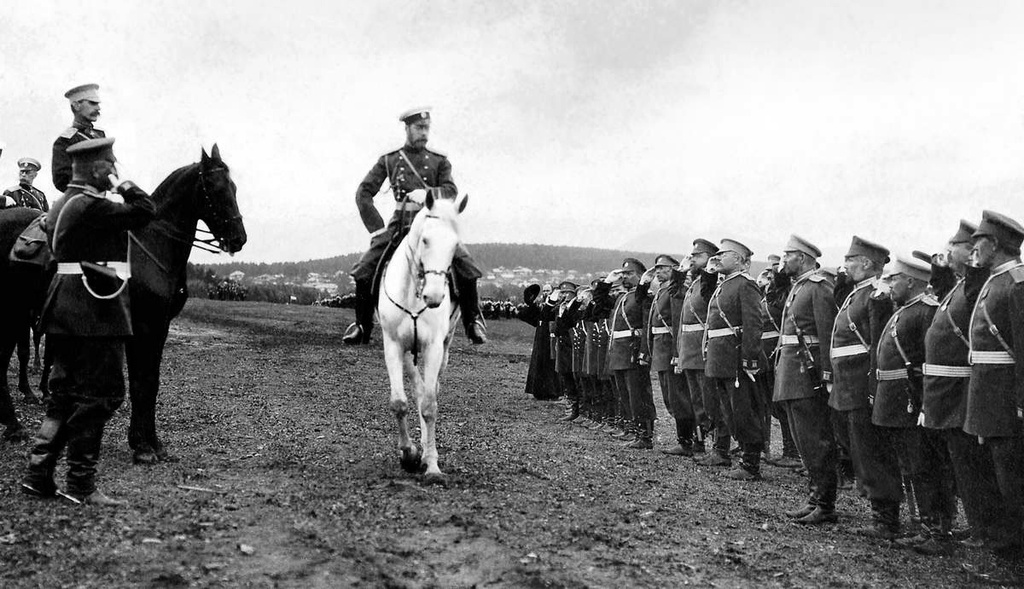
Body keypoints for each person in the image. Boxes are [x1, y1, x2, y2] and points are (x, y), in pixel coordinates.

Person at [21, 137, 155, 506]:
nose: (114, 169)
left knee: (63, 394)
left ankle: (38, 474)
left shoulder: (65, 201)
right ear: (98, 170)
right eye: (110, 165)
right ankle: (80, 484)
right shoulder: (94, 205)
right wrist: (123, 185)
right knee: (102, 394)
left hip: (64, 305)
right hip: (93, 309)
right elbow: (146, 209)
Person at [343, 107, 485, 345]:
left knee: (467, 267)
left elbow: (450, 190)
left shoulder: (440, 161)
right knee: (364, 269)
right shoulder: (389, 160)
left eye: (426, 128)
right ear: (407, 128)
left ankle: (473, 321)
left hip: (433, 225)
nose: (424, 133)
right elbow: (363, 192)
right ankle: (362, 326)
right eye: (419, 128)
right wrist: (377, 228)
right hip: (401, 225)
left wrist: (427, 193)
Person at [920, 220, 1002, 555]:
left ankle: (986, 532)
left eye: (951, 245)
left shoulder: (975, 285)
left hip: (961, 391)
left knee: (971, 468)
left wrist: (971, 264)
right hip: (945, 391)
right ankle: (975, 528)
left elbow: (972, 295)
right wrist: (943, 268)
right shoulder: (956, 287)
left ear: (969, 251)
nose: (945, 250)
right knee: (957, 465)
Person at [873, 256, 954, 552]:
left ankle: (938, 531)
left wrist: (924, 403)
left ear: (910, 281)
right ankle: (926, 526)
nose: (889, 284)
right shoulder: (904, 310)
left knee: (925, 465)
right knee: (911, 465)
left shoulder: (925, 312)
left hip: (912, 399)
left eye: (893, 278)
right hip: (894, 398)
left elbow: (929, 361)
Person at [830, 236, 903, 539]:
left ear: (866, 264)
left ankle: (885, 520)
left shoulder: (876, 296)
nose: (845, 265)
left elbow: (878, 346)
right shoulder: (856, 293)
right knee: (858, 451)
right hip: (847, 384)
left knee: (873, 453)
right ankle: (879, 513)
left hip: (862, 385)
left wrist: (874, 388)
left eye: (850, 260)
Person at [963, 210, 1024, 561]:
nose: (975, 247)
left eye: (979, 242)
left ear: (996, 244)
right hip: (988, 392)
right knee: (996, 473)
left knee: (1012, 476)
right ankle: (1006, 542)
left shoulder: (1016, 283)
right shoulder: (992, 279)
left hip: (1004, 396)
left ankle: (1015, 550)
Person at [774, 235, 839, 524]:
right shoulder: (799, 287)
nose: (783, 259)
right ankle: (814, 497)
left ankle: (825, 503)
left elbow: (827, 333)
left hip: (806, 371)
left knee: (816, 439)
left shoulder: (819, 287)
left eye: (788, 254)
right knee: (803, 440)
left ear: (802, 258)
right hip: (791, 369)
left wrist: (827, 373)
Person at [704, 239, 766, 480]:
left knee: (743, 411)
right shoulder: (724, 285)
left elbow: (753, 324)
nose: (718, 257)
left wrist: (749, 359)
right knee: (728, 411)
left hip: (736, 357)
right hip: (721, 357)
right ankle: (743, 458)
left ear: (739, 260)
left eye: (724, 254)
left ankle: (751, 464)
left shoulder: (745, 285)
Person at [592, 258, 655, 449]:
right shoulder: (622, 298)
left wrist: (644, 352)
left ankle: (645, 435)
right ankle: (635, 431)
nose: (626, 277)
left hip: (632, 350)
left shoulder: (644, 296)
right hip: (619, 351)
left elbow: (646, 325)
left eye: (630, 273)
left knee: (638, 395)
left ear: (641, 275)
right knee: (625, 395)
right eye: (624, 274)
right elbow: (600, 304)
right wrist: (606, 283)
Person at [640, 254, 695, 456]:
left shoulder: (675, 290)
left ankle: (687, 441)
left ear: (674, 269)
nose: (659, 271)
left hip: (670, 348)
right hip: (660, 349)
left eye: (663, 268)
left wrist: (676, 353)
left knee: (679, 397)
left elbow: (677, 322)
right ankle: (687, 440)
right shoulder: (662, 290)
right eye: (657, 268)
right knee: (670, 398)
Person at [677, 239, 720, 460]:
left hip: (703, 348)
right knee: (696, 400)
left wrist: (709, 274)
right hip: (690, 348)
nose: (691, 259)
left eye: (697, 256)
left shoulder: (711, 283)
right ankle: (700, 442)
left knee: (708, 400)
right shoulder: (694, 283)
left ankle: (717, 446)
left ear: (709, 258)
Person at [52, 84, 105, 193]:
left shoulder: (100, 135)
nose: (98, 108)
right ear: (76, 105)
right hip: (82, 199)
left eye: (98, 104)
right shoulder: (65, 141)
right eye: (92, 103)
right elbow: (61, 180)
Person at [518, 284, 559, 400]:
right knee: (539, 363)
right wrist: (530, 304)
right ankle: (537, 391)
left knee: (550, 364)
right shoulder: (540, 304)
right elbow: (526, 316)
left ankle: (551, 392)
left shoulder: (555, 304)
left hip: (550, 336)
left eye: (548, 290)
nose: (546, 293)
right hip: (540, 337)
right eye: (544, 291)